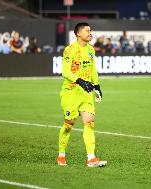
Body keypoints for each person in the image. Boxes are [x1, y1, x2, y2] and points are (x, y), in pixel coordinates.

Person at [57, 22, 107, 167]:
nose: (90, 33)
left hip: (86, 92)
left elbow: (93, 70)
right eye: (87, 31)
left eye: (90, 30)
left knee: (89, 123)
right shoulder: (70, 50)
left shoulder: (91, 50)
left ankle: (91, 158)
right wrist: (80, 81)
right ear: (78, 33)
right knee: (69, 125)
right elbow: (65, 72)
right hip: (71, 91)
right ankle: (61, 154)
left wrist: (97, 86)